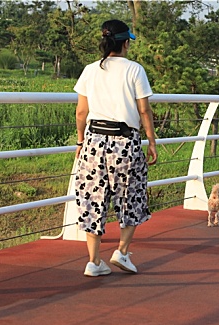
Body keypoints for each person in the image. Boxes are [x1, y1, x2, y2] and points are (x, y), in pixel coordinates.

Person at [73, 19, 158, 276]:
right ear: (125, 42)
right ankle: (121, 252)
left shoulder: (90, 70)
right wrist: (152, 141)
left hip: (94, 140)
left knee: (92, 198)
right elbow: (144, 109)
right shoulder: (135, 70)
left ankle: (94, 261)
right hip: (125, 142)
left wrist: (80, 141)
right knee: (131, 196)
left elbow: (81, 112)